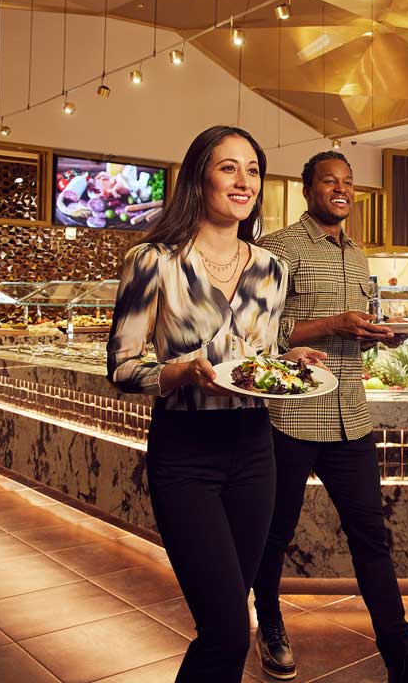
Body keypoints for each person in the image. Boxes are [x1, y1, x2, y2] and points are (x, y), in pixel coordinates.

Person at [107, 126, 325, 683]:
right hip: (185, 456)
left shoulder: (272, 269)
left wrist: (286, 361)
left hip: (255, 453)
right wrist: (181, 372)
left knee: (226, 628)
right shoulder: (152, 261)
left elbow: (255, 359)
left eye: (252, 170)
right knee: (228, 630)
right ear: (198, 177)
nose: (243, 181)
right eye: (228, 168)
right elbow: (123, 367)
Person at [253, 151, 408, 683]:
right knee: (274, 533)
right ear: (308, 189)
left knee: (372, 538)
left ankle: (404, 660)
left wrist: (375, 334)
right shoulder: (278, 248)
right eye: (330, 181)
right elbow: (259, 333)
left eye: (348, 182)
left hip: (351, 415)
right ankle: (270, 624)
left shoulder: (358, 253)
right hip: (291, 416)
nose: (341, 190)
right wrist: (332, 324)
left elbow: (353, 331)